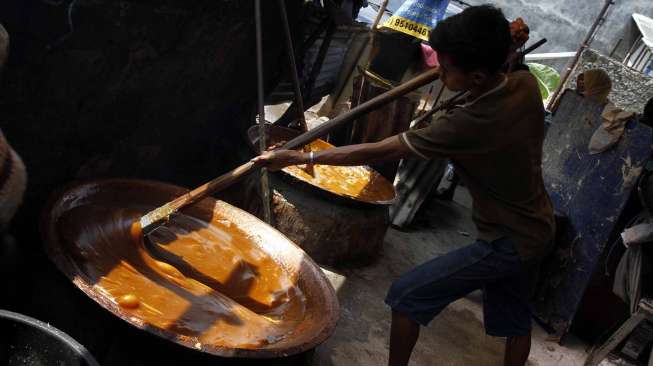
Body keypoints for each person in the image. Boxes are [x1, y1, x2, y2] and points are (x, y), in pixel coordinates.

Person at [253, 5, 555, 366]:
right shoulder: (522, 84)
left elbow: (384, 147)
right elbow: (507, 62)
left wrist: (304, 159)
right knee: (514, 320)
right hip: (538, 227)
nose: (438, 73)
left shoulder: (470, 125)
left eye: (444, 69)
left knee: (406, 295)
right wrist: (509, 42)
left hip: (507, 241)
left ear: (476, 77)